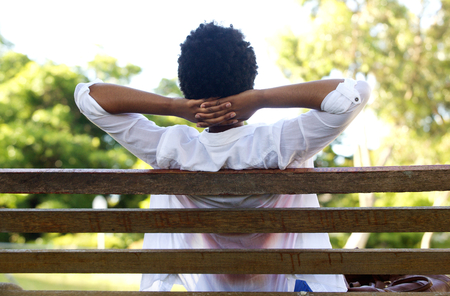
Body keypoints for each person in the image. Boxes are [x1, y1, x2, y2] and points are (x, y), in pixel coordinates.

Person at [74, 22, 371, 292]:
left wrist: (175, 106)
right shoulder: (279, 144)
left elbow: (88, 97)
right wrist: (261, 99)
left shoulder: (172, 149)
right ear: (249, 78)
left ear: (186, 84)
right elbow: (355, 93)